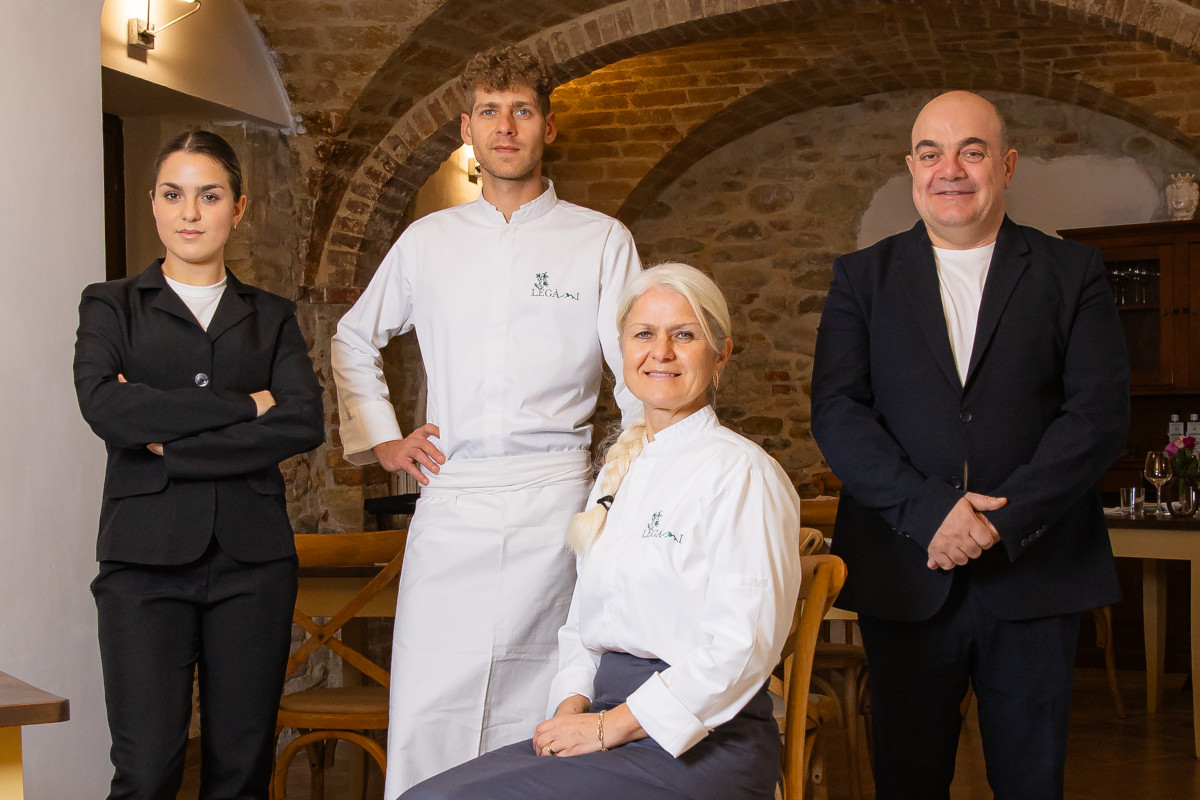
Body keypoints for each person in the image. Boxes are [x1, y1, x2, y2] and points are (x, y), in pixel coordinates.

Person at [330, 46, 642, 794]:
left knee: (542, 693)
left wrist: (621, 481)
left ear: (548, 127)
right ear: (466, 129)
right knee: (431, 693)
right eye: (490, 112)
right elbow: (352, 337)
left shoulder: (601, 239)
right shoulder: (428, 241)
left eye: (522, 110)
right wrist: (383, 440)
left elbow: (638, 369)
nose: (506, 127)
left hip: (555, 498)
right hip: (454, 493)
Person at [811, 91, 1130, 800]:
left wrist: (997, 521)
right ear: (911, 168)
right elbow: (838, 413)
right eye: (931, 153)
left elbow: (1098, 416)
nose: (949, 169)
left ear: (1007, 165)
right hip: (906, 571)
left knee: (1031, 782)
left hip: (1036, 571)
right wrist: (931, 513)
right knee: (908, 781)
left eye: (972, 151)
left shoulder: (1071, 271)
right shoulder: (861, 278)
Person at [397, 262, 802, 800]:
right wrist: (571, 707)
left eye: (684, 335)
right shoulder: (619, 473)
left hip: (701, 743)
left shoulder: (743, 473)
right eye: (644, 334)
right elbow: (584, 624)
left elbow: (742, 648)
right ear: (622, 349)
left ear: (721, 353)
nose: (661, 352)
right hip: (610, 723)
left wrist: (610, 727)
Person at [73, 130, 325, 800]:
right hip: (142, 564)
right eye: (173, 194)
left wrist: (171, 443)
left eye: (209, 196)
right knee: (146, 772)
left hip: (254, 564)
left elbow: (303, 420)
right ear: (153, 204)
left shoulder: (271, 317)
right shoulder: (111, 305)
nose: (190, 213)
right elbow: (106, 407)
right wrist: (247, 405)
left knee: (241, 774)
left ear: (237, 208)